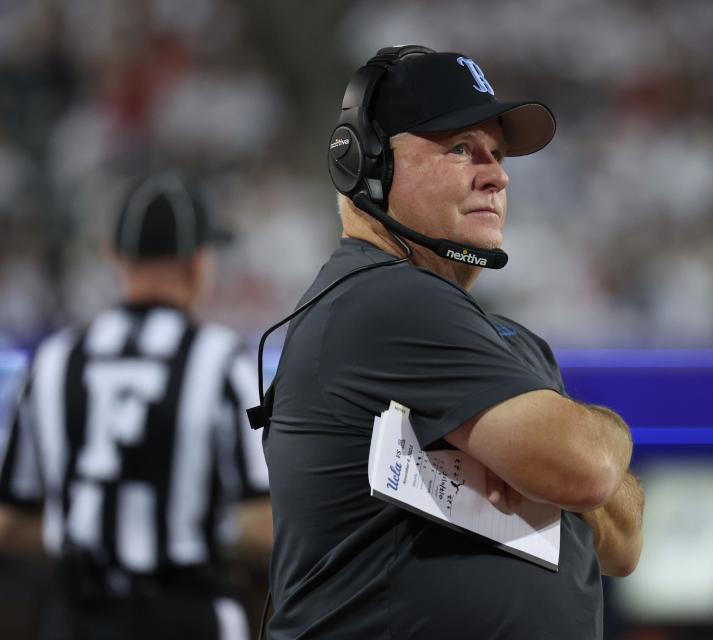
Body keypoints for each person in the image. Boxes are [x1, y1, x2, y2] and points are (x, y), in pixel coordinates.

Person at [260, 46, 644, 639]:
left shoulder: (508, 339)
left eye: (498, 154)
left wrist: (555, 451)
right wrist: (605, 432)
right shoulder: (383, 300)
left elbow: (622, 545)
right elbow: (590, 471)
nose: (497, 173)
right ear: (365, 163)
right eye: (461, 147)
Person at [0, 172, 272, 640]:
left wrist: (83, 524)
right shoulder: (223, 362)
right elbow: (265, 524)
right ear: (198, 262)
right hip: (189, 616)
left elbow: (9, 520)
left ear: (115, 256)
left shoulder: (54, 360)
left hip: (77, 619)